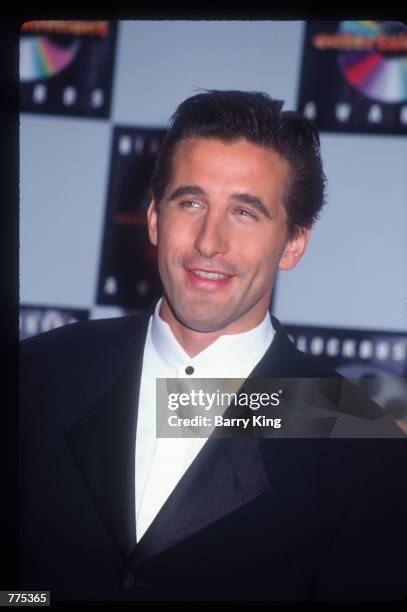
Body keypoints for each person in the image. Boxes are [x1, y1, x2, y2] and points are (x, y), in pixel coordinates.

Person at [20, 90, 407, 603]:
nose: (209, 242)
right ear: (156, 219)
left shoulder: (356, 436)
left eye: (245, 213)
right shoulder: (37, 373)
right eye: (192, 202)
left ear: (292, 243)